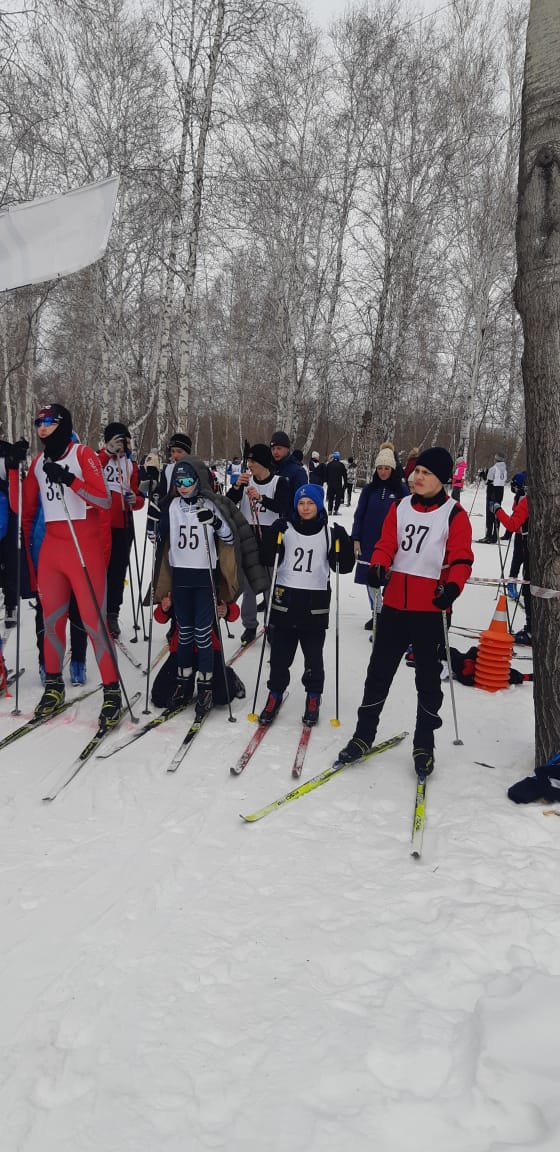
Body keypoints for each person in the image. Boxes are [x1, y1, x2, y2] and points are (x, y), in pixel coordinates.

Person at [337, 447, 473, 775]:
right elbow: (386, 545)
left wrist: (452, 588)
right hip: (395, 606)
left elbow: (461, 559)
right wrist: (379, 566)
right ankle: (362, 735)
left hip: (430, 609)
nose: (417, 477)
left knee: (427, 680)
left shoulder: (455, 515)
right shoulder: (399, 507)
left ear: (441, 478)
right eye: (416, 472)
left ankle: (424, 744)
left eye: (426, 473)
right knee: (378, 674)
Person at [22, 403, 121, 729]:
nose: (41, 427)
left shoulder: (82, 455)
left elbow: (104, 499)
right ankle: (53, 686)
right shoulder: (38, 462)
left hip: (84, 549)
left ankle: (111, 694)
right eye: (38, 422)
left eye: (48, 421)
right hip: (53, 549)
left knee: (94, 623)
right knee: (52, 622)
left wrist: (69, 479)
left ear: (62, 424)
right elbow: (23, 507)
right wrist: (11, 471)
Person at [257, 483, 354, 726]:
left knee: (313, 656)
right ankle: (275, 693)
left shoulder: (328, 532)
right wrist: (271, 535)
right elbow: (267, 557)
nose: (306, 507)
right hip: (285, 601)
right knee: (280, 656)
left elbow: (344, 566)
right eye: (301, 503)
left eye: (310, 503)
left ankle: (313, 695)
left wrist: (345, 543)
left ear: (319, 504)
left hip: (315, 605)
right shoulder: (285, 529)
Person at [156, 459, 234, 720]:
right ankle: (183, 682)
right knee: (185, 633)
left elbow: (229, 538)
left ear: (198, 482)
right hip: (181, 576)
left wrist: (214, 521)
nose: (183, 487)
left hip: (204, 577)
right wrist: (154, 521)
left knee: (203, 632)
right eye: (178, 482)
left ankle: (206, 687)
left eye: (188, 481)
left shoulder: (209, 504)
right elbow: (158, 538)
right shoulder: (173, 506)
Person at [226, 443, 290, 644]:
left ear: (262, 463)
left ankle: (272, 625)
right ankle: (250, 626)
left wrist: (261, 498)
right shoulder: (246, 480)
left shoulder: (279, 482)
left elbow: (283, 506)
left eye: (253, 462)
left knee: (271, 585)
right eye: (249, 461)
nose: (250, 465)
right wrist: (237, 486)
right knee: (248, 586)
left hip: (270, 535)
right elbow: (228, 502)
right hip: (248, 534)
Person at [351, 443, 408, 629]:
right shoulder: (369, 489)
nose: (383, 472)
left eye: (387, 468)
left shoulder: (401, 490)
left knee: (391, 580)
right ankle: (376, 612)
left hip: (392, 543)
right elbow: (359, 513)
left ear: (393, 468)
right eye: (380, 468)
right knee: (371, 579)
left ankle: (389, 614)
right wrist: (356, 538)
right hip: (369, 540)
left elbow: (407, 517)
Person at [152, 594, 245, 708]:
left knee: (221, 697)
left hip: (210, 650)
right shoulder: (177, 582)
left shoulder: (211, 580)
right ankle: (187, 685)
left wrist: (227, 610)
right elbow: (159, 617)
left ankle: (229, 675)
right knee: (160, 697)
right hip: (181, 650)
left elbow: (233, 614)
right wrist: (164, 608)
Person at [98, 422, 145, 637]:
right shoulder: (98, 458)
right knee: (99, 570)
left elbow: (136, 496)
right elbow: (86, 472)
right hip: (100, 524)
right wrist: (107, 452)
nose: (122, 446)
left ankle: (112, 613)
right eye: (118, 441)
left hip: (123, 525)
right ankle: (94, 611)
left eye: (125, 441)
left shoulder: (131, 465)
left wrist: (137, 500)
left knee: (118, 572)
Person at [493, 491, 531, 644]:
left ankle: (531, 630)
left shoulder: (530, 499)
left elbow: (513, 524)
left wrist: (497, 510)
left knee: (530, 589)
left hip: (531, 548)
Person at [269, 431, 308, 504]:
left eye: (279, 448)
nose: (275, 452)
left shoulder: (298, 471)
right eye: (273, 449)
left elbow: (302, 500)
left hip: (288, 514)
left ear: (287, 449)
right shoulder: (269, 469)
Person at [479, 452, 507, 543]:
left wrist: (483, 475)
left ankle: (488, 536)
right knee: (497, 512)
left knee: (490, 513)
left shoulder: (493, 468)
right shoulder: (504, 469)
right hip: (500, 491)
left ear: (496, 459)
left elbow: (489, 481)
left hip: (492, 491)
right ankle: (495, 535)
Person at [325, 451, 347, 515]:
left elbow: (326, 474)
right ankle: (335, 510)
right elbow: (345, 475)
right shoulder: (341, 465)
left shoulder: (329, 464)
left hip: (331, 484)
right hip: (338, 484)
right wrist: (345, 483)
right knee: (338, 498)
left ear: (333, 457)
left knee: (331, 498)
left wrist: (327, 481)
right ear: (339, 457)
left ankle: (329, 510)